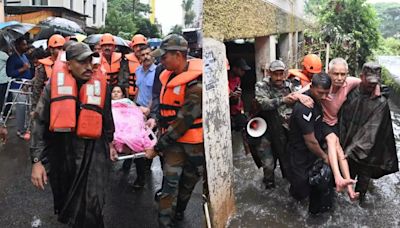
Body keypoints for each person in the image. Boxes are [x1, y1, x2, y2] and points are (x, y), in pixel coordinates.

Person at [30, 42, 116, 227]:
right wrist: (37, 161)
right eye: (81, 62)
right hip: (63, 153)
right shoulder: (52, 88)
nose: (88, 66)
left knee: (93, 204)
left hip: (94, 152)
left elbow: (107, 118)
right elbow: (38, 123)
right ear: (69, 64)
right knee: (69, 203)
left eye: (90, 61)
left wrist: (110, 144)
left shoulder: (102, 86)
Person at [144, 34, 203, 227]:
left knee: (188, 183)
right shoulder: (167, 75)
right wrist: (155, 120)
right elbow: (165, 108)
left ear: (178, 55)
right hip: (174, 145)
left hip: (193, 145)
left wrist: (157, 147)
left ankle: (180, 212)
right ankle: (164, 223)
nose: (161, 60)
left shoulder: (196, 85)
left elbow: (181, 123)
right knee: (169, 184)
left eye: (164, 56)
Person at [339, 62, 399, 203]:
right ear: (361, 76)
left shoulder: (381, 102)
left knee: (362, 189)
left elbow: (373, 131)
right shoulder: (350, 93)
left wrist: (352, 150)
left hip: (368, 153)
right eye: (369, 81)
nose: (372, 85)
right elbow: (342, 121)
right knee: (347, 182)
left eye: (375, 82)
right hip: (348, 146)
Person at [254, 60, 313, 188]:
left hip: (283, 130)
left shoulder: (290, 85)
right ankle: (269, 188)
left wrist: (300, 98)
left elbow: (299, 99)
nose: (279, 77)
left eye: (281, 74)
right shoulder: (261, 85)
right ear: (270, 73)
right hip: (265, 130)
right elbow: (263, 104)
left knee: (287, 163)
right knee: (268, 165)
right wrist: (283, 100)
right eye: (276, 74)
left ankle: (288, 190)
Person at [287, 72, 332, 213]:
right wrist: (325, 157)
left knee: (316, 181)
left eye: (327, 93)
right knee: (300, 187)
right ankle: (293, 209)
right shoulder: (304, 106)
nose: (324, 97)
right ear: (311, 87)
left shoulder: (317, 99)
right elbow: (310, 141)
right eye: (320, 93)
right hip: (299, 152)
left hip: (313, 152)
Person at [31, 34, 66, 114]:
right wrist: (35, 108)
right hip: (46, 103)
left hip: (62, 103)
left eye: (63, 49)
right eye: (59, 48)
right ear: (51, 49)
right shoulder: (43, 67)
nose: (62, 51)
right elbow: (37, 88)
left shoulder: (68, 65)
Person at [6, 37, 33, 138]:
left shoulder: (24, 56)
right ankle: (20, 130)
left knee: (26, 108)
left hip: (27, 85)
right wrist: (23, 69)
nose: (25, 47)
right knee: (21, 108)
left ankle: (25, 127)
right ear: (17, 46)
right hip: (18, 86)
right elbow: (9, 73)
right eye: (23, 45)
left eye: (26, 44)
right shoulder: (12, 58)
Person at [229, 58, 251, 130]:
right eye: (241, 70)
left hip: (237, 110)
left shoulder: (238, 79)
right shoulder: (225, 79)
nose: (243, 72)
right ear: (234, 68)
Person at [125, 34, 148, 99]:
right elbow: (124, 81)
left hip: (145, 96)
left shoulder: (149, 61)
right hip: (130, 96)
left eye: (140, 46)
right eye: (136, 46)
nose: (138, 49)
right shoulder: (126, 61)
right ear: (132, 48)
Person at [0, 49, 10, 115]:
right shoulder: (2, 54)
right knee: (5, 96)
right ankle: (4, 112)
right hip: (4, 78)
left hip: (2, 79)